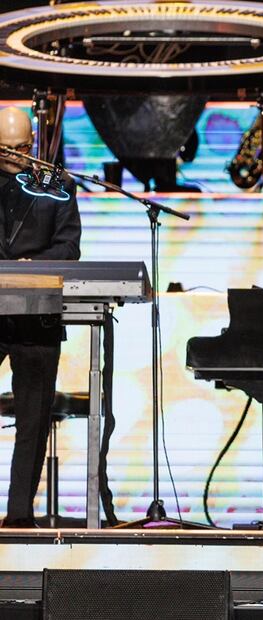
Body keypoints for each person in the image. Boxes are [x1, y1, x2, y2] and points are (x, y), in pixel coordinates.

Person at [0, 107, 81, 528]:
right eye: (6, 150)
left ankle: (18, 516)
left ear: (33, 143)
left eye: (22, 148)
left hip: (36, 314)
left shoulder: (58, 185)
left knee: (32, 419)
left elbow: (69, 247)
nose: (15, 157)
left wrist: (36, 265)